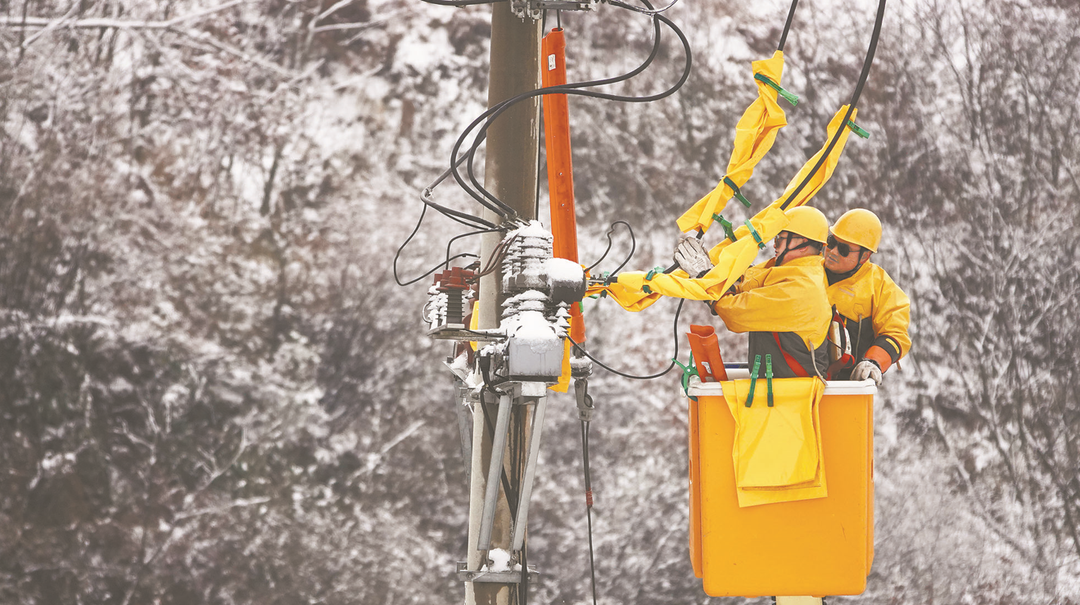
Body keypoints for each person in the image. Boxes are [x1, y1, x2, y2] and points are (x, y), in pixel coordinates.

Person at [674, 206, 832, 379]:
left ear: (802, 243)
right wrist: (713, 273)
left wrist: (704, 275)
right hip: (782, 385)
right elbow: (749, 284)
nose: (774, 244)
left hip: (792, 390)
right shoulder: (798, 272)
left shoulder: (802, 287)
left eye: (779, 238)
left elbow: (735, 312)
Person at [823, 208, 911, 385]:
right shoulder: (807, 270)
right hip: (802, 384)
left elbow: (895, 334)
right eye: (831, 242)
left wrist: (873, 362)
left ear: (865, 256)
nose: (833, 251)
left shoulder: (879, 286)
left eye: (844, 249)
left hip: (847, 388)